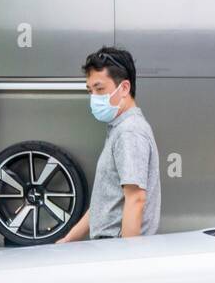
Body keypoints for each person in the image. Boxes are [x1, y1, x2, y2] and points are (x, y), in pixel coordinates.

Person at [57, 46, 161, 241]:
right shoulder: (118, 130)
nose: (94, 97)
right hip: (108, 247)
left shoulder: (129, 132)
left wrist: (126, 260)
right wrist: (66, 240)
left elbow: (136, 199)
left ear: (124, 88)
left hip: (115, 248)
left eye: (100, 89)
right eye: (90, 90)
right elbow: (102, 205)